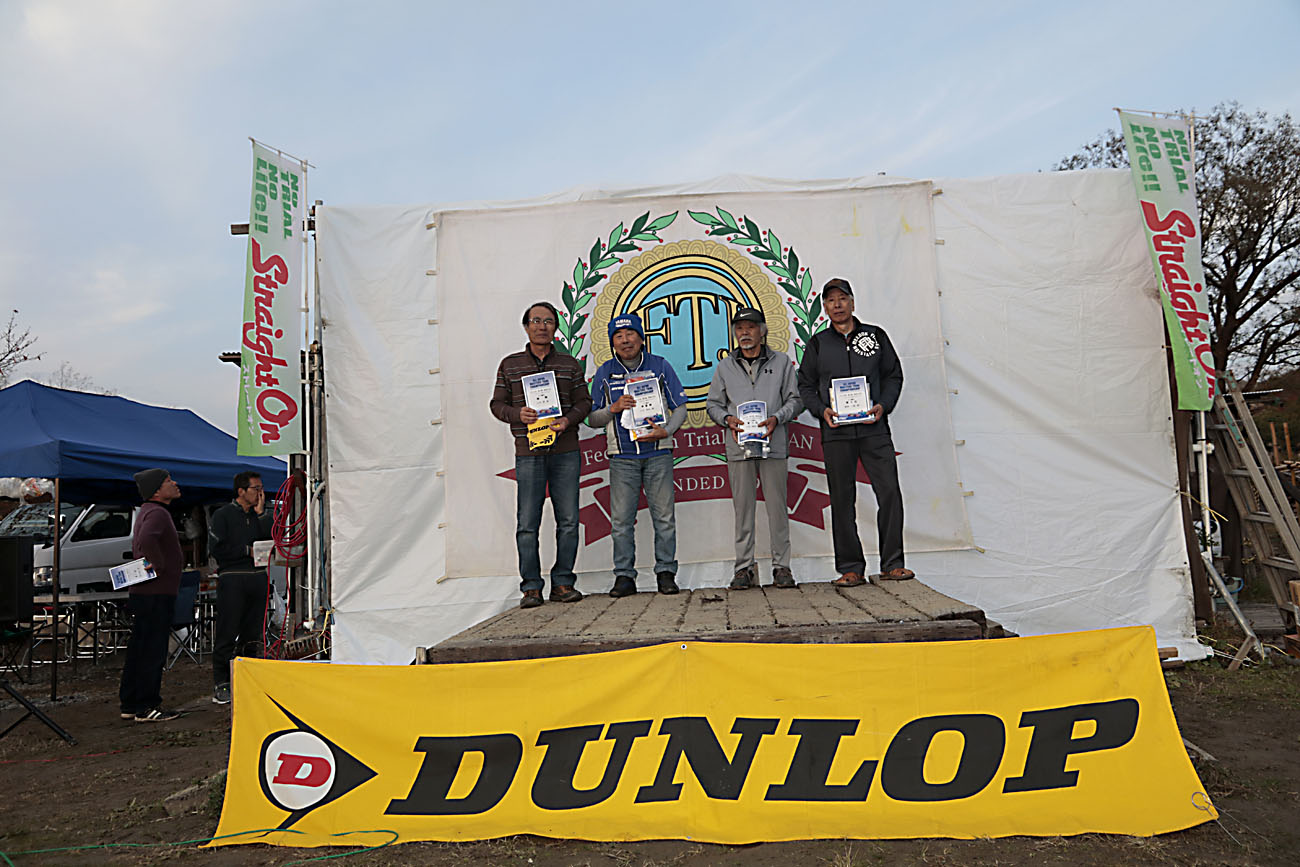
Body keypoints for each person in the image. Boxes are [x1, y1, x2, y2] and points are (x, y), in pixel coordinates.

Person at [796, 278, 913, 586]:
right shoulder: (818, 344)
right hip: (836, 433)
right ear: (824, 307)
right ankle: (850, 568)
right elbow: (805, 385)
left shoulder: (875, 336)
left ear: (852, 302)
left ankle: (893, 563)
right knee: (841, 498)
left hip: (874, 429)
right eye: (830, 300)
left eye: (842, 298)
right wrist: (822, 411)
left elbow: (893, 375)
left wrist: (883, 405)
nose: (837, 305)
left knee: (889, 492)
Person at [490, 301, 593, 609]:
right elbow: (496, 405)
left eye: (548, 321)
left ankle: (563, 583)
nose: (542, 326)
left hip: (565, 451)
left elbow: (585, 402)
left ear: (556, 328)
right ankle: (531, 587)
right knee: (527, 523)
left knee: (569, 520)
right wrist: (517, 414)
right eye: (536, 320)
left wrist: (568, 420)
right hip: (529, 452)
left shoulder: (569, 364)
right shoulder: (510, 364)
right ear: (526, 327)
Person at [587, 313, 688, 597]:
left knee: (664, 518)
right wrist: (613, 408)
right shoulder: (605, 372)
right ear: (612, 343)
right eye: (618, 336)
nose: (625, 340)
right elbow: (592, 419)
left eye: (630, 334)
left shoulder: (660, 365)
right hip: (622, 456)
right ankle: (624, 576)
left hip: (658, 452)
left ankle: (666, 572)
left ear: (642, 338)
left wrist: (667, 431)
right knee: (621, 521)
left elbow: (680, 407)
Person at [705, 307, 803, 590]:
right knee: (743, 510)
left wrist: (777, 418)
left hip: (773, 444)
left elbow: (796, 400)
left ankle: (782, 567)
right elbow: (713, 404)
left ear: (762, 330)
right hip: (739, 447)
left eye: (750, 327)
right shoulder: (725, 366)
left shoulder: (782, 362)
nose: (744, 333)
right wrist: (727, 419)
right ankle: (743, 568)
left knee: (777, 509)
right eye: (739, 328)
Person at [118, 468, 183, 723]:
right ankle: (147, 705)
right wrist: (158, 565)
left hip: (145, 592)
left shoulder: (146, 511)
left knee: (139, 647)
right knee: (153, 649)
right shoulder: (157, 513)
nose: (174, 483)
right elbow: (147, 539)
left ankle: (130, 702)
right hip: (156, 592)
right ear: (156, 490)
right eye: (168, 481)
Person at [209, 471, 273, 704]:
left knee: (252, 631)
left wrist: (262, 515)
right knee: (228, 629)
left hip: (258, 576)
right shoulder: (223, 515)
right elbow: (217, 548)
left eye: (261, 488)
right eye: (256, 488)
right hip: (233, 577)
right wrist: (246, 550)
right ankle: (222, 682)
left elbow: (271, 539)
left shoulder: (261, 515)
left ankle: (248, 676)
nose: (260, 493)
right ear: (241, 491)